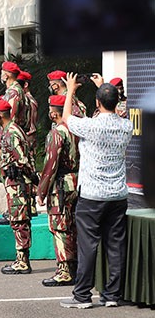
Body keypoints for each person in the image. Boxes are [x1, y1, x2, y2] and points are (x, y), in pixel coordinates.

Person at [60, 73, 133, 309]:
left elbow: (66, 118)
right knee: (115, 246)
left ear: (97, 103)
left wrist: (70, 90)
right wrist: (104, 88)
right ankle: (112, 295)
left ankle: (82, 296)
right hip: (118, 195)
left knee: (88, 245)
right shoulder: (126, 125)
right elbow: (114, 109)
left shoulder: (91, 126)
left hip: (92, 196)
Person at [36, 95, 79, 287]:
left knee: (60, 227)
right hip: (78, 182)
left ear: (54, 112)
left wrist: (41, 191)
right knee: (75, 226)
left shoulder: (57, 133)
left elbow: (50, 165)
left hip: (61, 185)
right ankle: (76, 268)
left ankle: (64, 271)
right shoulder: (78, 129)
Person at [0, 98, 34, 275]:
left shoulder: (11, 133)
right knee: (17, 220)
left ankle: (23, 261)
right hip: (14, 183)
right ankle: (20, 258)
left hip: (18, 183)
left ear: (0, 116)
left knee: (19, 221)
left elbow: (22, 160)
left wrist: (23, 174)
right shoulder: (9, 130)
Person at [1, 62, 27, 131]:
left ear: (6, 76)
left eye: (2, 73)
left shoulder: (13, 92)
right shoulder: (13, 90)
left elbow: (12, 115)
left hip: (11, 131)